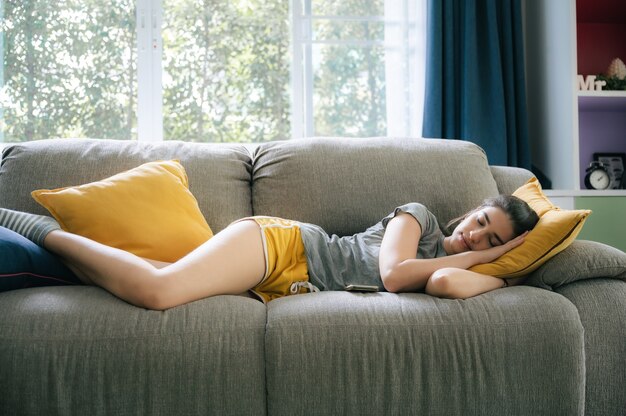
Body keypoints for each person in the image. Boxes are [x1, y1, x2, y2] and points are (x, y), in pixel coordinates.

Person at [0, 195, 539, 310]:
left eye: (490, 241)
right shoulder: (417, 217)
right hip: (283, 246)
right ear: (469, 211)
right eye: (480, 224)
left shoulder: (451, 267)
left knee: (135, 276)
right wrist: (478, 257)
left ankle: (29, 252)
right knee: (157, 291)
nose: (473, 238)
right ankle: (30, 224)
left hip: (283, 281)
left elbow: (446, 285)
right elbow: (396, 275)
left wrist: (507, 270)